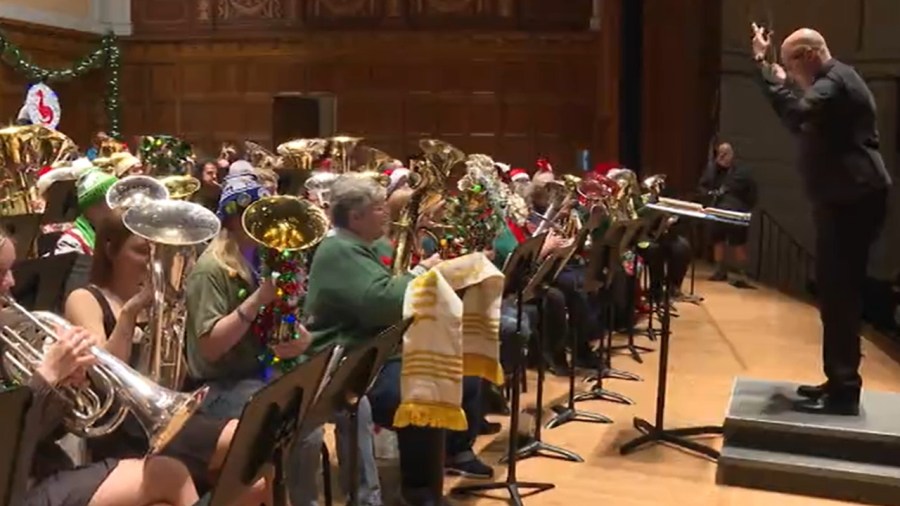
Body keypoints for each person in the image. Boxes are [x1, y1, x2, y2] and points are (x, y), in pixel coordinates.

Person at [303, 176, 493, 506]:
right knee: (422, 395)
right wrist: (424, 271)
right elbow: (383, 302)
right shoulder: (337, 250)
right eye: (379, 208)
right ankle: (419, 494)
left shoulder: (365, 244)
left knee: (463, 376)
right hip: (351, 363)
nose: (386, 214)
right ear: (355, 216)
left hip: (381, 349)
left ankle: (444, 464)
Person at [62, 210, 269, 502]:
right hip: (124, 426)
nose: (152, 262)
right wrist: (130, 314)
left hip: (170, 414)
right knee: (248, 440)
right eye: (141, 251)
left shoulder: (161, 302)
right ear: (110, 249)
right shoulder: (85, 298)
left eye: (157, 252)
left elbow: (179, 376)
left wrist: (173, 322)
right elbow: (103, 375)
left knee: (260, 470)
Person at [751, 24, 892, 415]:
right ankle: (839, 380)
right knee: (834, 292)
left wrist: (766, 72)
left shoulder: (835, 83)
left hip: (853, 199)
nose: (791, 74)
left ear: (808, 56)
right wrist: (775, 72)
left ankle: (845, 388)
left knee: (841, 292)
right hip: (847, 198)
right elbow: (807, 106)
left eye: (790, 66)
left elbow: (797, 114)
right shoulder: (833, 82)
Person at [0, 232, 201, 506]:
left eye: (11, 270)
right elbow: (8, 441)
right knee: (168, 475)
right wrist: (45, 379)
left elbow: (43, 432)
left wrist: (67, 389)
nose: (12, 282)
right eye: (1, 273)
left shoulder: (8, 329)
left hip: (38, 470)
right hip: (13, 488)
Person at [183, 170, 334, 506]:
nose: (268, 228)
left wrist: (298, 337)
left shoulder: (263, 259)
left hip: (257, 374)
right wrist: (258, 300)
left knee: (335, 409)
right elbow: (209, 347)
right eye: (257, 216)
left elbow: (278, 324)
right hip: (219, 386)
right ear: (235, 219)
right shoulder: (211, 269)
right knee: (298, 428)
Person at [698, 142, 757, 288]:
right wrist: (709, 196)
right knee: (718, 240)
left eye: (726, 153)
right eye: (720, 153)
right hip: (717, 210)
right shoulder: (712, 170)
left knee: (738, 243)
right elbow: (703, 186)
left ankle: (742, 275)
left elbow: (752, 192)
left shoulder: (742, 172)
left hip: (736, 212)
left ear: (732, 154)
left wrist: (746, 208)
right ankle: (720, 271)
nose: (723, 156)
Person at [51, 168, 117, 256]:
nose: (117, 205)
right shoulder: (71, 242)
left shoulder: (124, 231)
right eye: (110, 200)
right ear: (90, 209)